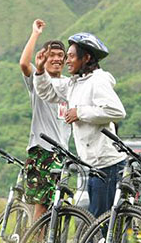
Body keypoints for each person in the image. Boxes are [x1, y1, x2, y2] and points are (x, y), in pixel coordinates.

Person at [34, 32, 126, 218]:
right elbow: (47, 92)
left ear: (87, 57)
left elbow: (117, 111)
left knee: (99, 218)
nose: (67, 61)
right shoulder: (75, 83)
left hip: (107, 162)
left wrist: (80, 113)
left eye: (71, 56)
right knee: (98, 218)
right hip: (92, 163)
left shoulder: (97, 81)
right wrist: (39, 71)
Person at [18, 19, 71, 220]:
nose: (56, 59)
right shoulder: (38, 79)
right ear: (43, 57)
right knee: (40, 203)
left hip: (63, 152)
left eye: (60, 55)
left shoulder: (69, 85)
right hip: (42, 149)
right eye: (52, 55)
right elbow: (24, 63)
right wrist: (35, 33)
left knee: (55, 202)